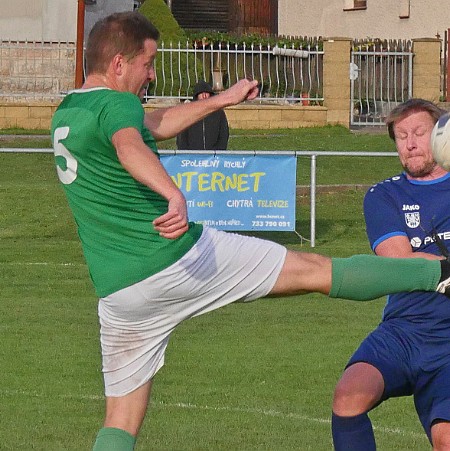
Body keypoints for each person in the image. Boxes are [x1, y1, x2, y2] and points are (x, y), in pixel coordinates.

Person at [50, 13, 450, 451]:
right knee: (316, 270)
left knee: (120, 420)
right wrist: (172, 193)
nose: (153, 73)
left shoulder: (72, 110)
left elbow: (152, 126)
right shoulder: (117, 104)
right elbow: (131, 144)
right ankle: (438, 274)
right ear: (119, 64)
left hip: (120, 292)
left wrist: (221, 99)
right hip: (176, 259)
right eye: (148, 63)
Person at [332, 99, 450, 451]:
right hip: (403, 330)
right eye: (401, 136)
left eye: (419, 133)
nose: (410, 143)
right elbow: (397, 259)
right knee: (349, 395)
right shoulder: (384, 195)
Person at [176, 80, 229, 150]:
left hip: (213, 156)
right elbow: (182, 136)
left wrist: (219, 150)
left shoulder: (218, 112)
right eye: (201, 93)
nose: (204, 96)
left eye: (206, 93)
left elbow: (224, 133)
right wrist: (186, 152)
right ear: (196, 96)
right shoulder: (188, 113)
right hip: (192, 156)